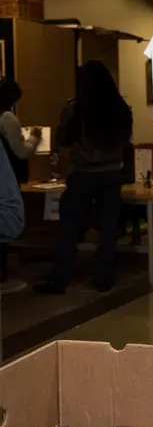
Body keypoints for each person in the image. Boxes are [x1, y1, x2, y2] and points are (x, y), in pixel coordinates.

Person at [35, 60, 133, 294]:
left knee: (69, 227)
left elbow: (64, 140)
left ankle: (59, 280)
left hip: (82, 175)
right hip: (110, 174)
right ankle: (102, 278)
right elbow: (125, 143)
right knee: (108, 228)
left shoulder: (75, 108)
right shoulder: (121, 109)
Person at [0, 78, 41, 293]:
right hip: (8, 174)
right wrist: (34, 139)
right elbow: (21, 151)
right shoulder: (7, 117)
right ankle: (2, 275)